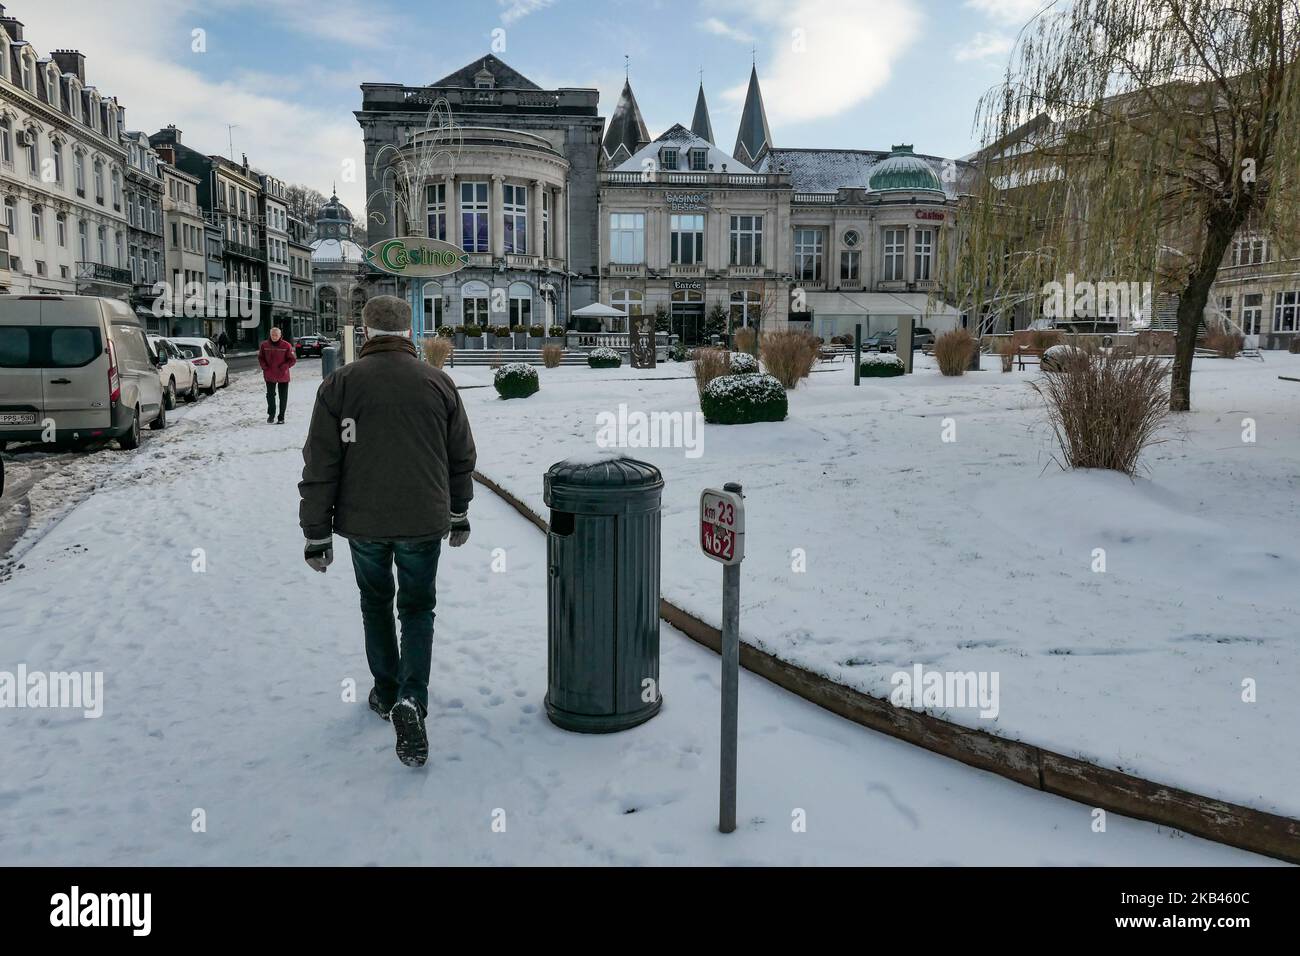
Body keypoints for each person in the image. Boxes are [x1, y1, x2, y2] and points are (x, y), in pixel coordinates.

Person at [298, 296, 476, 768]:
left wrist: (316, 532)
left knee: (375, 603)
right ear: (409, 330)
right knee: (418, 608)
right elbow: (461, 457)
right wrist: (459, 512)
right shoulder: (438, 383)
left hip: (364, 522)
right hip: (423, 519)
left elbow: (321, 462)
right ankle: (412, 700)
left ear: (366, 329)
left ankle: (386, 690)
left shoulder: (339, 385)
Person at [258, 326, 296, 424]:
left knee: (283, 397)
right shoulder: (264, 345)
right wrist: (264, 366)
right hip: (269, 374)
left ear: (280, 335)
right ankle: (271, 415)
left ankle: (281, 417)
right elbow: (261, 357)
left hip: (283, 375)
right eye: (273, 335)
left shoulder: (286, 345)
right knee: (270, 395)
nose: (274, 337)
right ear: (270, 335)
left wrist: (285, 366)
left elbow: (292, 360)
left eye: (276, 335)